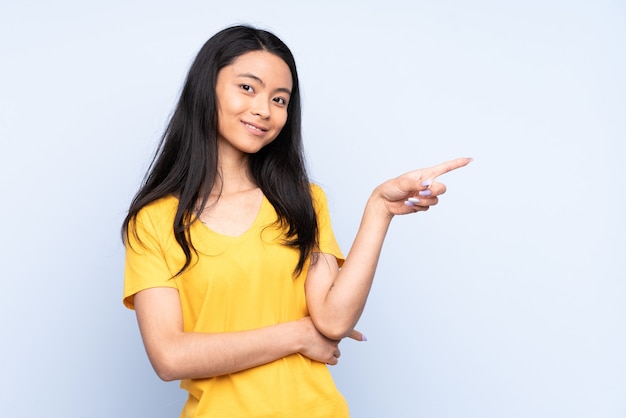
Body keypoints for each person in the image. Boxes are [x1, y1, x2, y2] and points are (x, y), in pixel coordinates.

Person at [121, 24, 471, 417]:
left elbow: (334, 320)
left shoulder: (303, 200)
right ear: (207, 88)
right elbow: (170, 356)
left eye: (280, 99)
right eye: (247, 88)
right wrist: (300, 334)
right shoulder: (154, 221)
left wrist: (379, 210)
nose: (264, 110)